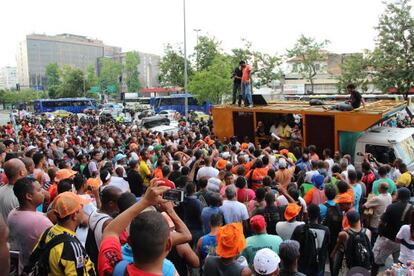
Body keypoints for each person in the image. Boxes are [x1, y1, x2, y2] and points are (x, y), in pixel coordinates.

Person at [97, 183, 180, 275]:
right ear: (168, 244)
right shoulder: (170, 270)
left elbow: (111, 231)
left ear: (129, 242)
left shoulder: (112, 269)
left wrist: (145, 201)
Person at [27, 192, 95, 275]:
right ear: (74, 215)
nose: (83, 212)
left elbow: (34, 256)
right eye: (81, 208)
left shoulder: (49, 231)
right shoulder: (71, 246)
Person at [7, 177, 53, 274]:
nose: (43, 192)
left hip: (18, 267)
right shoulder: (41, 221)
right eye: (39, 190)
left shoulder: (13, 212)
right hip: (33, 270)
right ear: (29, 196)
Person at [371, 187, 414, 275]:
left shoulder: (392, 207)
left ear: (399, 196)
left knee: (376, 260)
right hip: (401, 243)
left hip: (388, 240)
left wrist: (380, 232)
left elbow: (382, 222)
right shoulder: (412, 209)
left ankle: (373, 274)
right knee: (399, 266)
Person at [291, 204, 330, 276]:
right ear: (318, 215)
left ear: (308, 214)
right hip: (318, 265)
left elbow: (293, 246)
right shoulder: (325, 230)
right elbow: (326, 247)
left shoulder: (299, 229)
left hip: (302, 264)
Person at [331, 211, 372, 275]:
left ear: (348, 221)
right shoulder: (368, 232)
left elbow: (338, 246)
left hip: (351, 265)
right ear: (359, 220)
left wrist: (333, 254)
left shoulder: (343, 234)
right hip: (365, 265)